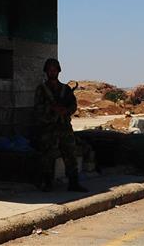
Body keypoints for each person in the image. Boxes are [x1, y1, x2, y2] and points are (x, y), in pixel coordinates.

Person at [34, 58, 87, 192]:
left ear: (58, 71)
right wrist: (51, 109)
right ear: (46, 71)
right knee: (47, 156)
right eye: (50, 70)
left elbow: (73, 105)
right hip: (49, 128)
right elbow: (37, 109)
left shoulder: (65, 89)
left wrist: (66, 110)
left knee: (70, 154)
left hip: (64, 127)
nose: (52, 72)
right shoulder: (41, 89)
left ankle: (73, 183)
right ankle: (47, 183)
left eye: (55, 69)